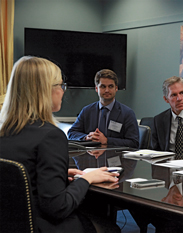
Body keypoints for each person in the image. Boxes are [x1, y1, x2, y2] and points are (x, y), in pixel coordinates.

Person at [0, 56, 119, 232]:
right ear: (43, 90)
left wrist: (59, 174)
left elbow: (21, 179)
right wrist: (87, 179)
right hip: (43, 226)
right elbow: (58, 208)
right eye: (60, 85)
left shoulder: (5, 132)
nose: (63, 91)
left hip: (10, 225)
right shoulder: (50, 136)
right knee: (110, 228)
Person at [68, 69, 139, 148]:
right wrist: (86, 137)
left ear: (116, 88)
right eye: (103, 86)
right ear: (96, 89)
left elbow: (134, 143)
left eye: (110, 86)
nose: (107, 90)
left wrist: (106, 140)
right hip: (89, 157)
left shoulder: (127, 113)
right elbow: (71, 133)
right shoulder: (87, 111)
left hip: (116, 158)